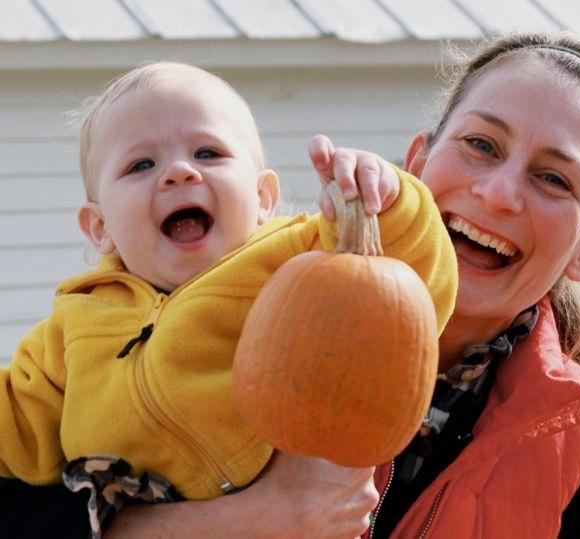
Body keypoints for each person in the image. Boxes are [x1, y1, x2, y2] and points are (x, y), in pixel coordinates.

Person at [1, 30, 580, 538]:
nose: (498, 194)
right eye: (480, 144)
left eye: (554, 178)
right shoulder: (286, 294)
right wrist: (230, 527)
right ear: (415, 164)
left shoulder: (567, 430)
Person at [0, 62, 458, 538]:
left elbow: (409, 284)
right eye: (141, 164)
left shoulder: (295, 260)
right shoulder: (75, 321)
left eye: (208, 152)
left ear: (263, 198)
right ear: (101, 229)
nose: (178, 172)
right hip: (134, 511)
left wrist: (383, 204)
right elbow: (20, 427)